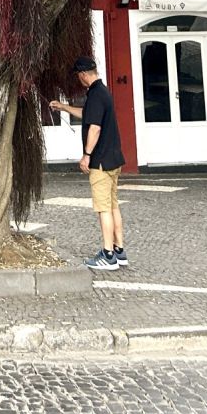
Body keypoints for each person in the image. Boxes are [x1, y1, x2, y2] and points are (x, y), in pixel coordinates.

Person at [50, 54, 128, 271]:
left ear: (83, 74)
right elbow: (87, 114)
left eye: (78, 76)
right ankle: (119, 250)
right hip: (114, 159)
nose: (78, 79)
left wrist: (86, 155)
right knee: (113, 206)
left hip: (100, 161)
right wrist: (64, 107)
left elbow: (94, 127)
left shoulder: (94, 95)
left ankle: (108, 255)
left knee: (103, 208)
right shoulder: (103, 92)